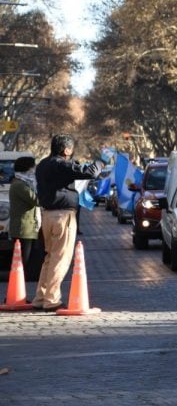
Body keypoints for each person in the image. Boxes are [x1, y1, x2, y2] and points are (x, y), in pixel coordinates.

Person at [31, 134, 103, 312]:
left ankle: (40, 297)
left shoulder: (42, 165)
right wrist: (100, 163)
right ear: (66, 150)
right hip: (63, 217)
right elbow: (91, 172)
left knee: (49, 258)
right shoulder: (62, 164)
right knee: (60, 258)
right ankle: (52, 300)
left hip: (47, 215)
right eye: (71, 150)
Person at [8, 156, 41, 273]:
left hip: (28, 227)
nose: (34, 170)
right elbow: (36, 200)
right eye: (33, 167)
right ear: (27, 168)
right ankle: (19, 278)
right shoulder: (20, 185)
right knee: (23, 258)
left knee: (26, 257)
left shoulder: (24, 183)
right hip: (23, 228)